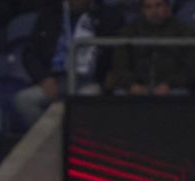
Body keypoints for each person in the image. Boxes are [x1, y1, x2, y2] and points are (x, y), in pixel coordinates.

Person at [14, 0, 119, 128]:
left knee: (88, 98)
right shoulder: (51, 14)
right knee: (24, 100)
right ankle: (54, 138)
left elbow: (119, 51)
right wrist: (44, 78)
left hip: (89, 81)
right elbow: (29, 53)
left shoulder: (107, 15)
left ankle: (69, 140)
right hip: (56, 80)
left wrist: (111, 72)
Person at [108, 0, 195, 96]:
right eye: (148, 7)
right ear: (142, 10)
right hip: (136, 87)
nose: (153, 11)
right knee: (120, 93)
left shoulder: (185, 31)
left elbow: (192, 67)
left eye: (158, 5)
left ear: (168, 7)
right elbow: (119, 64)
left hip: (173, 88)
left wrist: (170, 84)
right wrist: (131, 85)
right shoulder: (129, 31)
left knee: (180, 93)